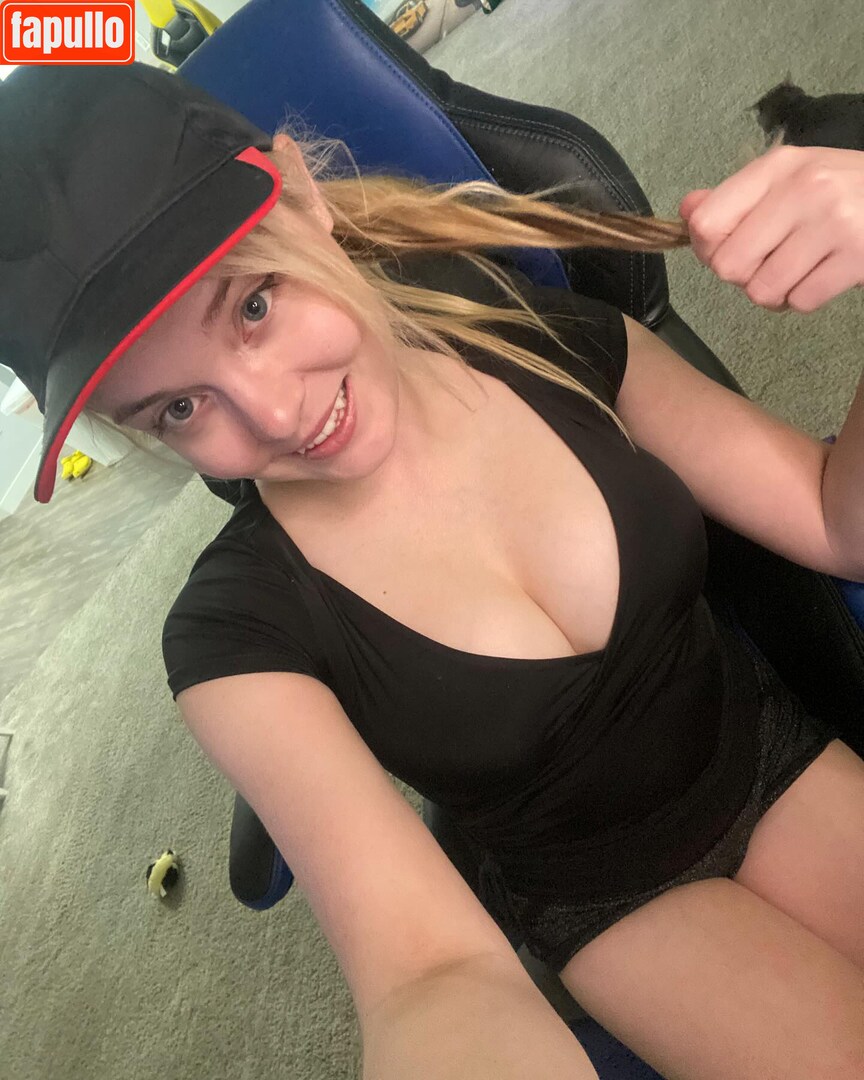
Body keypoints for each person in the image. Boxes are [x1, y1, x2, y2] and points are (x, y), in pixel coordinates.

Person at [3, 61, 864, 1080]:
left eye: (254, 307)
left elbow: (833, 518)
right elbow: (427, 976)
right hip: (619, 904)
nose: (274, 415)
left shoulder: (529, 334)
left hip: (768, 747)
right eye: (178, 408)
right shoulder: (231, 638)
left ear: (303, 193)